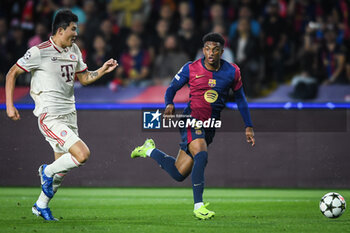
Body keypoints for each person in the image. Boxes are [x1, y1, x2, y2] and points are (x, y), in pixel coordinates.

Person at [5, 9, 118, 221]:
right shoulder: (39, 51)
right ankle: (45, 171)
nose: (76, 33)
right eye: (73, 29)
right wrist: (10, 106)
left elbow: (83, 78)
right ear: (60, 30)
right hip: (51, 116)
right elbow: (12, 72)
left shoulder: (74, 49)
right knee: (82, 155)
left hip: (70, 114)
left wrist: (101, 70)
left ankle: (40, 205)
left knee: (62, 170)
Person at [131, 33, 255, 220]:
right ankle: (198, 206)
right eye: (207, 49)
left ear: (222, 51)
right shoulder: (191, 68)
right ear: (203, 49)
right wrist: (169, 103)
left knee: (178, 173)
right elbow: (172, 88)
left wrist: (248, 125)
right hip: (191, 118)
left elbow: (241, 99)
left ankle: (150, 150)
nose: (211, 53)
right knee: (202, 154)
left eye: (215, 49)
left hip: (210, 125)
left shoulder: (232, 71)